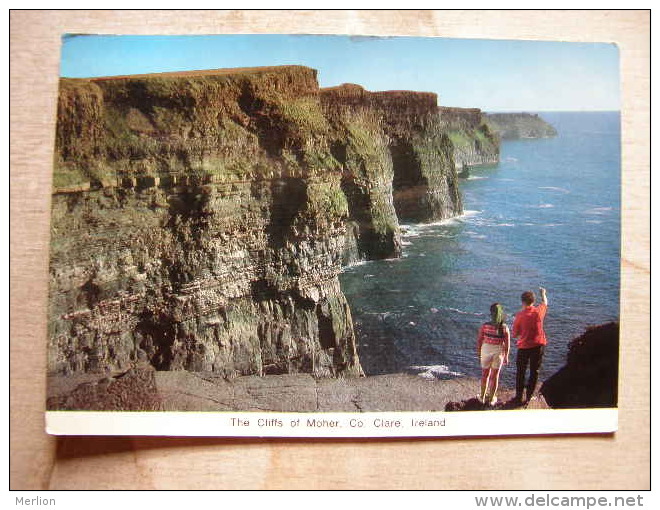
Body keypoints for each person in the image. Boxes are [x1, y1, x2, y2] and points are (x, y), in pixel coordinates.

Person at [512, 287, 548, 405]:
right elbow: (545, 302)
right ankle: (528, 397)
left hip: (524, 347)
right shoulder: (539, 312)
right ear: (533, 301)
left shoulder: (519, 316)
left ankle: (518, 397)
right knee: (534, 372)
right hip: (538, 346)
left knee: (520, 372)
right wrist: (543, 293)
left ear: (522, 302)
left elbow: (515, 334)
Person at [477, 303, 510, 406]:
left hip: (486, 350)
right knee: (495, 376)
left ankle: (482, 397)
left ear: (491, 313)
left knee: (484, 375)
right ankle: (491, 399)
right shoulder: (504, 328)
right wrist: (506, 356)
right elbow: (507, 344)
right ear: (500, 314)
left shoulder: (485, 326)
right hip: (498, 352)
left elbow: (479, 341)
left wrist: (479, 353)